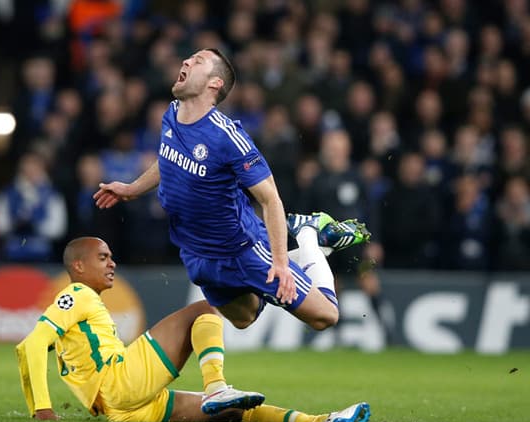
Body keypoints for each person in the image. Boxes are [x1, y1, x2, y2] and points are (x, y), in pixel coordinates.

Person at [93, 48, 370, 332]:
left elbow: (270, 198)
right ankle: (293, 261)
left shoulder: (227, 137)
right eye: (189, 58)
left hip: (241, 249)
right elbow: (168, 159)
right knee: (244, 318)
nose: (186, 61)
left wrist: (279, 265)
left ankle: (309, 233)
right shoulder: (172, 114)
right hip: (196, 252)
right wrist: (132, 189)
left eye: (197, 61)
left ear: (215, 83)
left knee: (325, 316)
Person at [15, 236, 371, 422]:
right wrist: (42, 409)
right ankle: (216, 385)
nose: (113, 263)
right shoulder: (76, 293)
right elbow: (32, 344)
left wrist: (59, 354)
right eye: (103, 257)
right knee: (205, 309)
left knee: (235, 413)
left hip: (122, 409)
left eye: (111, 256)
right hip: (119, 383)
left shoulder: (80, 304)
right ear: (78, 265)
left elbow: (34, 349)